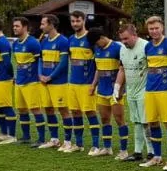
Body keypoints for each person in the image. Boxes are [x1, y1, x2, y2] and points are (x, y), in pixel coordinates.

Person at [140, 16, 167, 170]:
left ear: (162, 28)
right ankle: (157, 157)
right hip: (150, 90)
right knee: (152, 123)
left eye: (156, 28)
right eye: (151, 29)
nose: (154, 31)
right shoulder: (148, 47)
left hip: (165, 91)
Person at [64, 10, 100, 153]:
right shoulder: (71, 39)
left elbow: (99, 63)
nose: (75, 24)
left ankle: (96, 145)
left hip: (87, 84)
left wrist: (93, 84)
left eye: (78, 21)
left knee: (90, 113)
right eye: (73, 21)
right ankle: (78, 144)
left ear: (84, 20)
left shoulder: (90, 39)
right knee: (75, 113)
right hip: (73, 83)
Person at [10, 16, 48, 147]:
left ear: (25, 27)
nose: (14, 28)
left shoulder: (33, 43)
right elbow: (18, 63)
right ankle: (26, 136)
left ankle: (41, 138)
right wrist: (15, 76)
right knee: (21, 110)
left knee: (35, 110)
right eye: (14, 26)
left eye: (17, 26)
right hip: (19, 82)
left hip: (32, 82)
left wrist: (38, 76)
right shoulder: (15, 44)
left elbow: (40, 61)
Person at [115, 22, 150, 162]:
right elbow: (122, 69)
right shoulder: (122, 49)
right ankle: (137, 151)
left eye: (126, 39)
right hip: (131, 91)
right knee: (136, 121)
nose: (124, 42)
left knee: (146, 121)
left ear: (134, 35)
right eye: (122, 39)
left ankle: (152, 152)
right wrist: (117, 88)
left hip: (145, 89)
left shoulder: (146, 46)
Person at [90, 25, 126, 157]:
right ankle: (107, 148)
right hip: (102, 90)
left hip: (115, 91)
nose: (96, 46)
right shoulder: (97, 48)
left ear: (101, 38)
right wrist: (93, 85)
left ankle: (123, 150)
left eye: (96, 42)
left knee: (119, 119)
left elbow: (124, 70)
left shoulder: (118, 48)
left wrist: (121, 89)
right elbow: (98, 69)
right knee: (104, 119)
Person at [37, 13, 69, 150]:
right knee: (48, 110)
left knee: (63, 110)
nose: (41, 26)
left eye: (43, 24)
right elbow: (40, 59)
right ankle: (54, 139)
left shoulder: (62, 41)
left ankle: (68, 141)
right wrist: (39, 74)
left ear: (51, 24)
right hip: (44, 82)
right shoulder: (43, 41)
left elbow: (63, 63)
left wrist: (50, 76)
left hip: (58, 82)